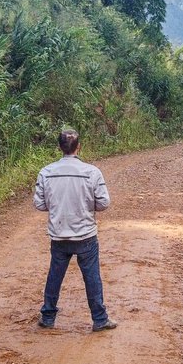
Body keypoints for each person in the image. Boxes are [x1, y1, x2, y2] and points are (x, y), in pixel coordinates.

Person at [33, 128, 117, 332]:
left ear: (59, 147)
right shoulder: (92, 172)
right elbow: (104, 203)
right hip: (85, 234)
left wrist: (57, 207)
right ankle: (99, 318)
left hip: (59, 234)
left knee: (55, 275)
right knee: (91, 276)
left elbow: (39, 204)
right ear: (79, 147)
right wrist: (87, 206)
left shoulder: (46, 172)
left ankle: (48, 316)